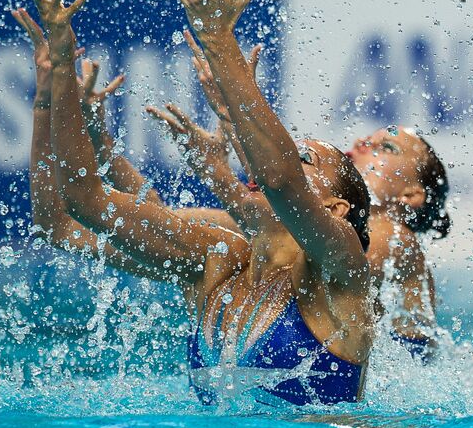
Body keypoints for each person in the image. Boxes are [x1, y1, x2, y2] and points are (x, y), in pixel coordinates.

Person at [18, 0, 375, 407]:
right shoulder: (215, 261)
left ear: (334, 208)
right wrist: (57, 80)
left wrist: (217, 38)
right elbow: (77, 207)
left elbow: (282, 180)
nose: (263, 172)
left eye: (305, 158)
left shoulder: (340, 270)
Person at [153, 32, 449, 362]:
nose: (365, 145)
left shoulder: (395, 237)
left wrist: (220, 165)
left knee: (216, 233)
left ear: (412, 195)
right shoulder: (330, 229)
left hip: (392, 405)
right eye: (366, 139)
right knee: (186, 224)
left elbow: (295, 225)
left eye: (387, 148)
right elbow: (283, 213)